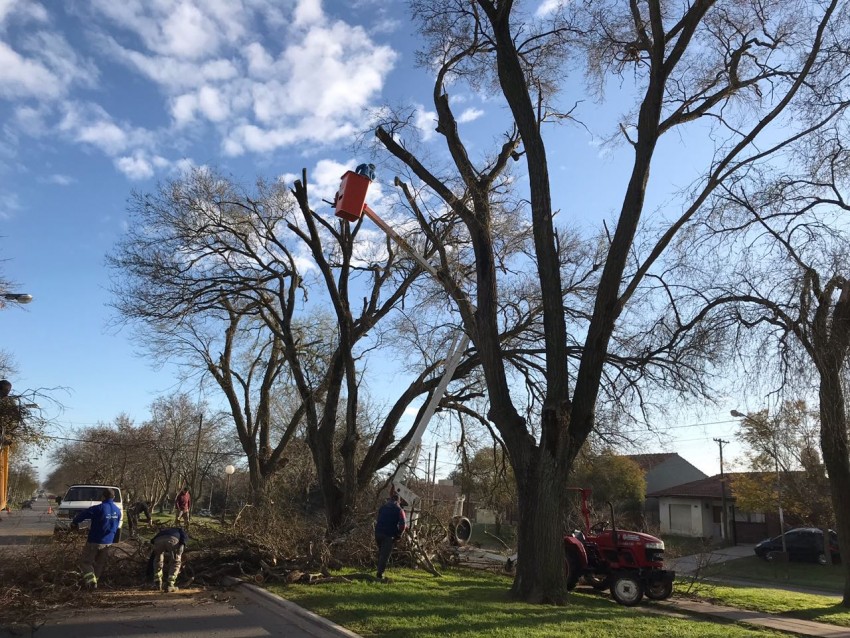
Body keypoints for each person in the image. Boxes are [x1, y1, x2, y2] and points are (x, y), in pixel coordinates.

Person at [70, 487, 121, 589]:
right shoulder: (117, 510)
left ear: (102, 496)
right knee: (99, 564)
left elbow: (82, 515)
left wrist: (74, 522)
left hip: (95, 540)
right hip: (108, 542)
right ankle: (94, 582)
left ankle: (91, 581)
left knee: (85, 562)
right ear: (114, 497)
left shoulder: (99, 508)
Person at [374, 492, 407, 581]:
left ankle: (379, 570)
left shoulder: (383, 507)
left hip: (378, 533)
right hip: (389, 535)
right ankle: (380, 575)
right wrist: (399, 534)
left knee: (381, 553)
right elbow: (403, 525)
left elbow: (378, 519)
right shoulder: (399, 510)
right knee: (385, 555)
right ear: (398, 501)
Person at [148, 526, 188, 592]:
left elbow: (152, 540)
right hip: (172, 539)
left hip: (158, 540)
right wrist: (182, 546)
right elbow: (184, 538)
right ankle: (170, 584)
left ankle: (157, 581)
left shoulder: (163, 531)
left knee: (158, 560)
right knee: (176, 562)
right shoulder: (180, 530)